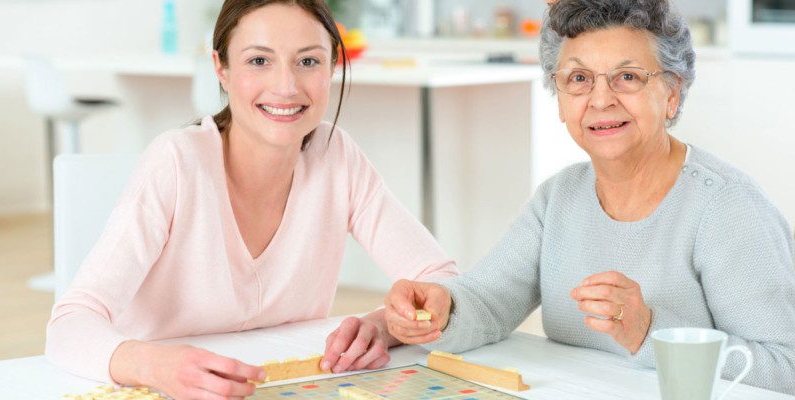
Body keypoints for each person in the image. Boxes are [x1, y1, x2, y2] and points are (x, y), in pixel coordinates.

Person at [45, 1, 457, 398]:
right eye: (259, 61)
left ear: (333, 66)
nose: (286, 86)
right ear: (220, 68)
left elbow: (441, 278)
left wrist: (386, 325)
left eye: (308, 61)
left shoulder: (337, 156)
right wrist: (156, 365)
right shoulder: (176, 162)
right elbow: (69, 324)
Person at [383, 0, 795, 394]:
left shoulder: (728, 208)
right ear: (560, 101)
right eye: (579, 79)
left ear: (672, 93)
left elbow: (785, 367)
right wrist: (442, 307)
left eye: (628, 77)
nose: (600, 100)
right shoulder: (559, 196)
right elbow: (490, 302)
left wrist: (649, 331)